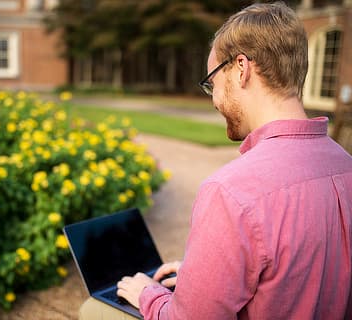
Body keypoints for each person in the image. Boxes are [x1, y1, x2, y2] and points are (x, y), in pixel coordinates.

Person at [79, 2, 352, 319]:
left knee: (93, 309)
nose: (213, 98)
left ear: (241, 69)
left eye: (212, 82)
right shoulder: (345, 165)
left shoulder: (231, 191)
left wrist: (149, 295)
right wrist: (206, 281)